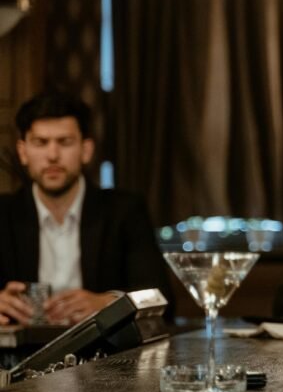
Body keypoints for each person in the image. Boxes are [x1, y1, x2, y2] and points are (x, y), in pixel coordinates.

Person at [0, 91, 173, 326]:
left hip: (104, 356)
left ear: (86, 150)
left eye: (64, 142)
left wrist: (109, 303)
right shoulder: (4, 214)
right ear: (23, 151)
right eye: (41, 143)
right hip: (21, 356)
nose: (52, 155)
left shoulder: (124, 210)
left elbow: (160, 296)